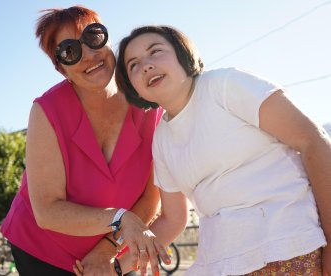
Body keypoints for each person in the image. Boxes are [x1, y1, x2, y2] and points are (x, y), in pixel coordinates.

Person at [111, 25, 331, 275]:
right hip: (222, 261)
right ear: (133, 88)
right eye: (134, 65)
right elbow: (173, 220)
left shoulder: (223, 85)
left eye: (155, 51)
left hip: (288, 247)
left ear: (182, 53)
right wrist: (117, 267)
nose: (147, 65)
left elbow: (312, 140)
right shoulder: (161, 139)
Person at [0, 6, 169, 276]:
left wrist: (108, 248)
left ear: (109, 38)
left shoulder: (150, 106)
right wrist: (120, 218)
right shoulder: (46, 112)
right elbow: (47, 211)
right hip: (41, 249)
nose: (89, 55)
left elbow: (151, 197)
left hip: (112, 249)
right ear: (61, 69)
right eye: (70, 51)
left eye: (94, 37)